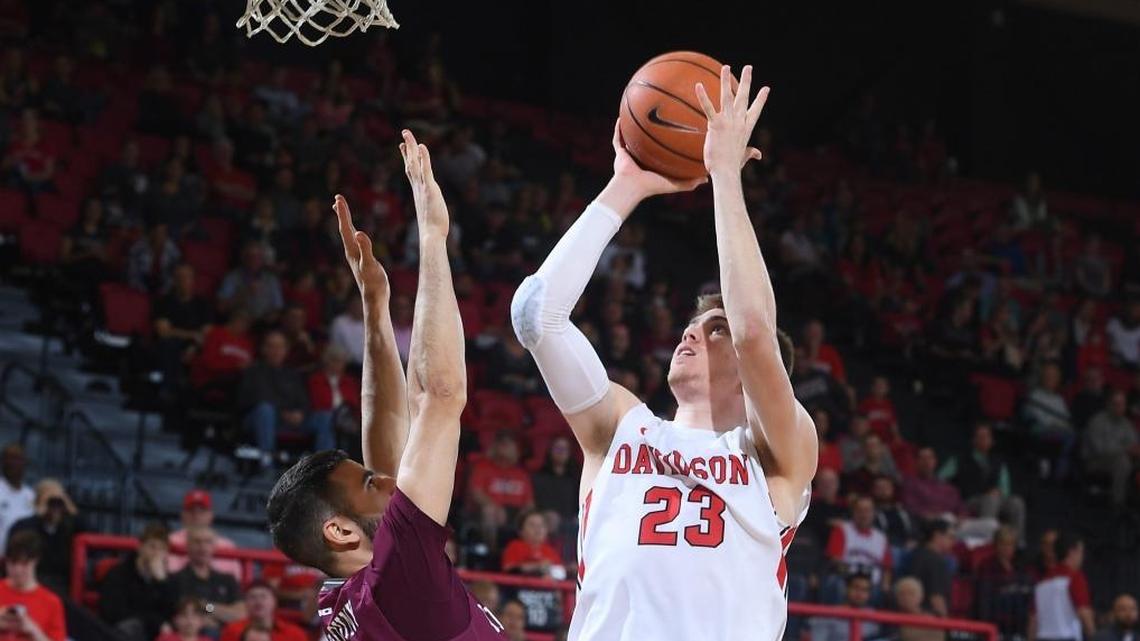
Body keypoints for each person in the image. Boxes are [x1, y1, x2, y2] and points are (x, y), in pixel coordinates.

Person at [512, 67, 816, 641]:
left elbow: (755, 330)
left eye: (714, 328)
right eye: (693, 324)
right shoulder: (621, 427)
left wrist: (724, 175)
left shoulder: (778, 453)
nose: (693, 333)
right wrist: (625, 184)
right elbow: (536, 317)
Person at [265, 132, 507, 641]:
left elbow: (386, 431)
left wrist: (375, 307)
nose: (390, 480)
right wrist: (434, 239)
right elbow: (439, 397)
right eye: (373, 484)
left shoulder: (346, 599)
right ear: (340, 530)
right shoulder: (399, 580)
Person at [241, 331, 335, 463]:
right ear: (264, 349)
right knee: (265, 409)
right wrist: (284, 413)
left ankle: (323, 468)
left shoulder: (292, 374)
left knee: (325, 416)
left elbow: (304, 400)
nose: (276, 351)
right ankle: (266, 463)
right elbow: (259, 397)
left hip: (293, 420)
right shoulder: (254, 371)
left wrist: (301, 413)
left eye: (280, 347)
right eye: (272, 346)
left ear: (286, 350)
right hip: (262, 418)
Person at [939, 423, 1027, 544]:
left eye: (987, 437)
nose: (984, 440)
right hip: (969, 499)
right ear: (974, 440)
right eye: (981, 437)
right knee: (991, 499)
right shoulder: (960, 459)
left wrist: (999, 492)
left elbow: (1005, 489)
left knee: (1017, 502)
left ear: (992, 440)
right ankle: (987, 542)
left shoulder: (999, 462)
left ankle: (1017, 543)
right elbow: (940, 478)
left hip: (996, 498)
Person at [98, 523, 179, 641]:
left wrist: (162, 582)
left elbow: (174, 613)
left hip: (157, 634)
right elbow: (113, 613)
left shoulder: (169, 580)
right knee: (131, 627)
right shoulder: (118, 574)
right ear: (140, 547)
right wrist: (154, 622)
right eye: (152, 547)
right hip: (123, 633)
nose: (157, 553)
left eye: (162, 548)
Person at [8, 480, 81, 595]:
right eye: (51, 503)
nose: (55, 509)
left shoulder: (71, 527)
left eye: (59, 504)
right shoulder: (24, 527)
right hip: (32, 585)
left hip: (63, 586)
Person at [466, 431, 535, 550]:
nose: (505, 448)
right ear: (494, 447)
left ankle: (529, 554)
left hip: (516, 512)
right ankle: (491, 553)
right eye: (502, 444)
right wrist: (495, 507)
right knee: (489, 511)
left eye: (509, 445)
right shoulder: (482, 467)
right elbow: (476, 493)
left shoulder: (521, 474)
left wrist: (524, 516)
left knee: (534, 519)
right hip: (489, 510)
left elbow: (529, 503)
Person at [171, 528, 245, 634]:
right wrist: (220, 613)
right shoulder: (175, 579)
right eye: (197, 541)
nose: (202, 546)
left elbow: (240, 615)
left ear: (214, 546)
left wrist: (207, 607)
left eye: (207, 542)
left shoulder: (228, 580)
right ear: (188, 545)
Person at [0, 531, 65, 641]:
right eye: (12, 563)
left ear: (35, 561)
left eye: (24, 564)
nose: (17, 570)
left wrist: (33, 630)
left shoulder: (52, 602)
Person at [825, 495, 892, 601]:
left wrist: (885, 585)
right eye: (860, 510)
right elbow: (834, 560)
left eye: (867, 510)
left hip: (873, 585)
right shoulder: (842, 530)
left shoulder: (881, 538)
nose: (863, 514)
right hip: (848, 580)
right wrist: (854, 577)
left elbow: (887, 568)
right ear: (854, 512)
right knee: (836, 583)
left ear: (874, 513)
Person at [1030, 533, 1094, 641]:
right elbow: (1084, 612)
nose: (1082, 557)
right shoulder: (1074, 577)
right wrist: (1093, 636)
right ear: (1072, 552)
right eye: (1081, 552)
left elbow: (1033, 619)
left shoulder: (1041, 584)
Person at [1082, 389, 1140, 506]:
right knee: (1122, 462)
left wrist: (1135, 450)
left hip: (1122, 458)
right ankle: (1118, 504)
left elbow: (1134, 444)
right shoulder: (1097, 421)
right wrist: (1126, 450)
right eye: (1116, 404)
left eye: (1122, 404)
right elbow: (1099, 450)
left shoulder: (1126, 424)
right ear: (1108, 404)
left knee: (1128, 461)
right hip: (1095, 461)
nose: (1119, 407)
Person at [169, 490, 242, 581]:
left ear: (210, 515)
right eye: (191, 511)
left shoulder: (227, 545)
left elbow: (236, 580)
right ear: (183, 515)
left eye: (202, 511)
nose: (196, 515)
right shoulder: (170, 541)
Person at [976, 527, 1034, 640]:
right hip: (996, 624)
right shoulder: (987, 566)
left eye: (1011, 544)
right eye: (1003, 544)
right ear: (996, 545)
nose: (1007, 548)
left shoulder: (1021, 566)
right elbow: (984, 601)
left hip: (1019, 626)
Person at [217, 582, 306, 641]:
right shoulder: (232, 630)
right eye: (252, 597)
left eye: (263, 596)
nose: (258, 602)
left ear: (274, 601)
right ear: (245, 603)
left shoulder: (295, 634)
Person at [809, 574, 884, 641]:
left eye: (865, 590)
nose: (860, 593)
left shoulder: (874, 617)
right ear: (846, 589)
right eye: (856, 587)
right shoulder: (828, 615)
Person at [903, 519, 954, 617]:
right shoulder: (937, 561)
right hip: (928, 621)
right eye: (950, 537)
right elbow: (937, 599)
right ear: (938, 536)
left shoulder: (915, 554)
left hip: (907, 616)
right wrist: (945, 624)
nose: (953, 542)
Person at [501, 510, 564, 578]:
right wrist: (537, 566)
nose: (538, 529)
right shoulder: (514, 546)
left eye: (541, 525)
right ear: (521, 531)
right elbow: (509, 569)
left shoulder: (550, 551)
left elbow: (561, 573)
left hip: (548, 586)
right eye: (532, 525)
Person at [0, 444, 34, 555]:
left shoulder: (31, 495)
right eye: (8, 458)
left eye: (17, 459)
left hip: (22, 563)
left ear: (24, 463)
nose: (12, 463)